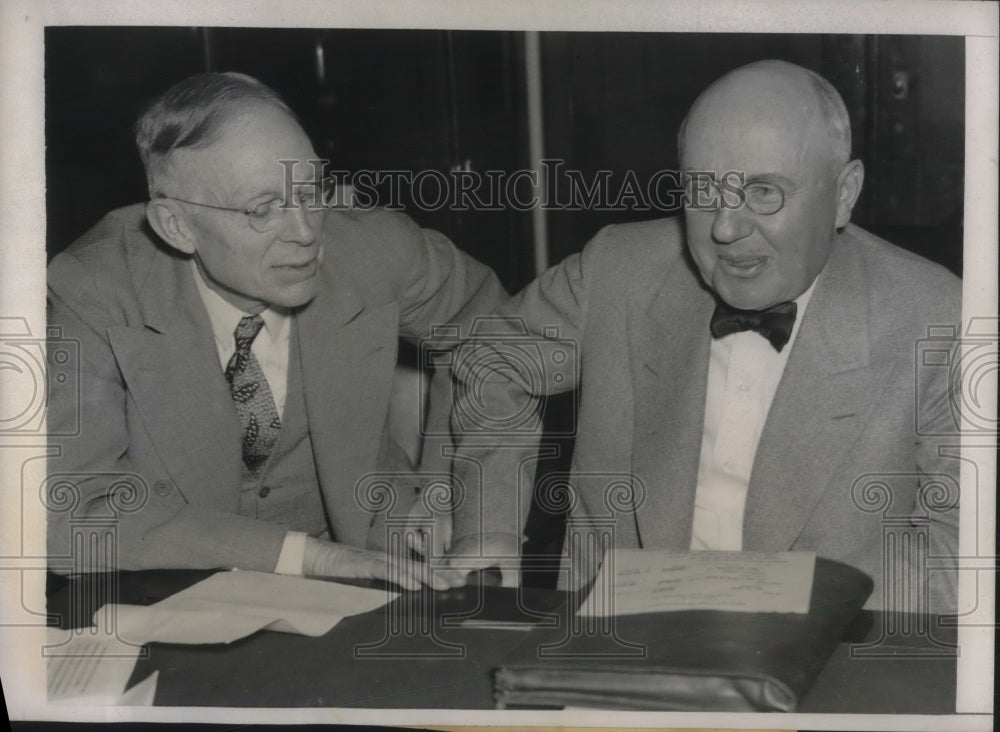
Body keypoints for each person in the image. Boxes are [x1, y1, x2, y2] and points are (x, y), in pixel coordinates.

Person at [446, 60, 961, 611]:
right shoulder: (617, 268)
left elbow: (958, 562)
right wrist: (486, 529)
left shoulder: (936, 317)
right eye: (702, 189)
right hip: (613, 639)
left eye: (764, 192)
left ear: (843, 193)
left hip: (828, 657)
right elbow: (492, 360)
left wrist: (763, 597)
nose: (725, 227)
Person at [46, 72, 508, 589]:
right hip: (171, 595)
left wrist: (450, 490)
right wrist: (311, 558)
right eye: (262, 210)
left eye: (311, 193)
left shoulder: (375, 249)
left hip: (379, 570)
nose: (307, 233)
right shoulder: (92, 287)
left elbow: (504, 339)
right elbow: (64, 513)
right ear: (176, 225)